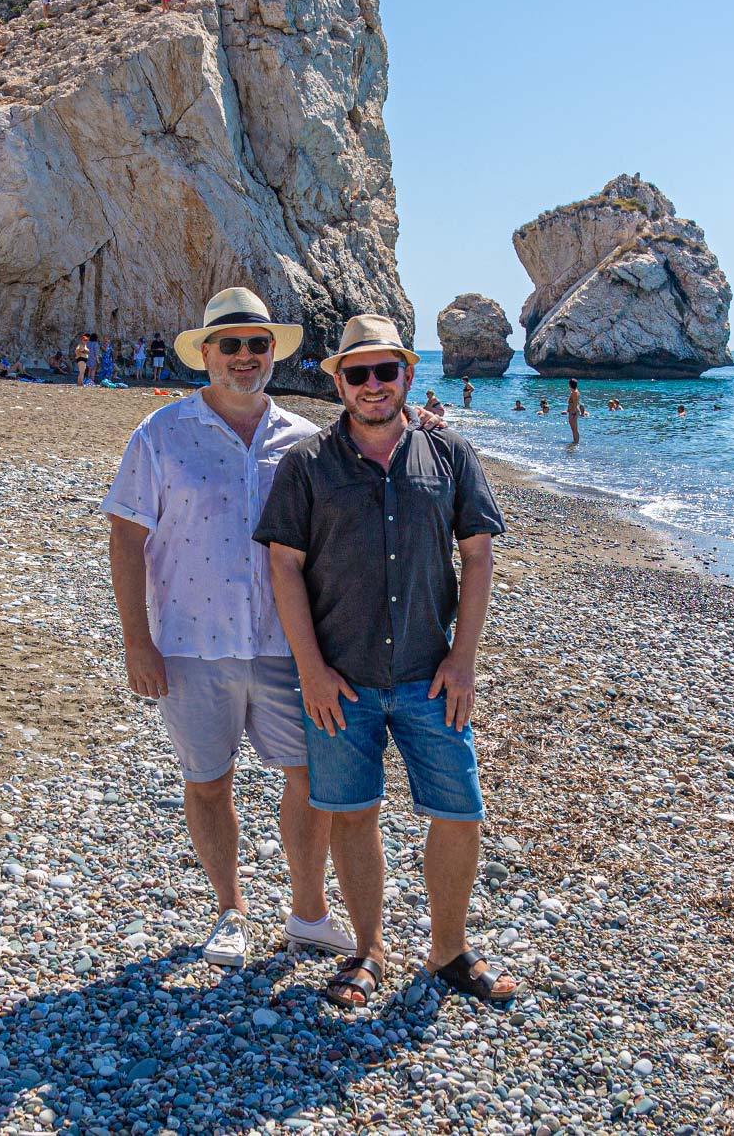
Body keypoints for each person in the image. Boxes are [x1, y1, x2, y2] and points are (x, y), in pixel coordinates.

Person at [258, 313, 515, 1009]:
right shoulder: (307, 465)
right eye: (357, 372)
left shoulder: (451, 456)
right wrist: (311, 668)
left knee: (461, 812)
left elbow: (479, 554)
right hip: (342, 680)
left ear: (407, 373)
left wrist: (464, 661)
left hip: (433, 675)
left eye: (385, 370)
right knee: (353, 813)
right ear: (339, 381)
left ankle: (449, 951)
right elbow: (284, 566)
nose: (373, 385)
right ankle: (368, 950)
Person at [102, 288, 353, 970]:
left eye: (257, 344)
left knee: (310, 777)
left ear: (272, 352)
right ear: (206, 353)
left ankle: (308, 913)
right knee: (209, 779)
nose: (245, 357)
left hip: (288, 646)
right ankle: (231, 910)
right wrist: (136, 640)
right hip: (189, 644)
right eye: (231, 344)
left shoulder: (307, 441)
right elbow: (126, 539)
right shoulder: (159, 434)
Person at [566, 379, 583, 447]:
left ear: (570, 384)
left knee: (574, 428)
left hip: (574, 412)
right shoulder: (573, 392)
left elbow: (575, 404)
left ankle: (576, 442)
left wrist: (573, 413)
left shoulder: (575, 393)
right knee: (573, 428)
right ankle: (575, 442)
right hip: (572, 411)